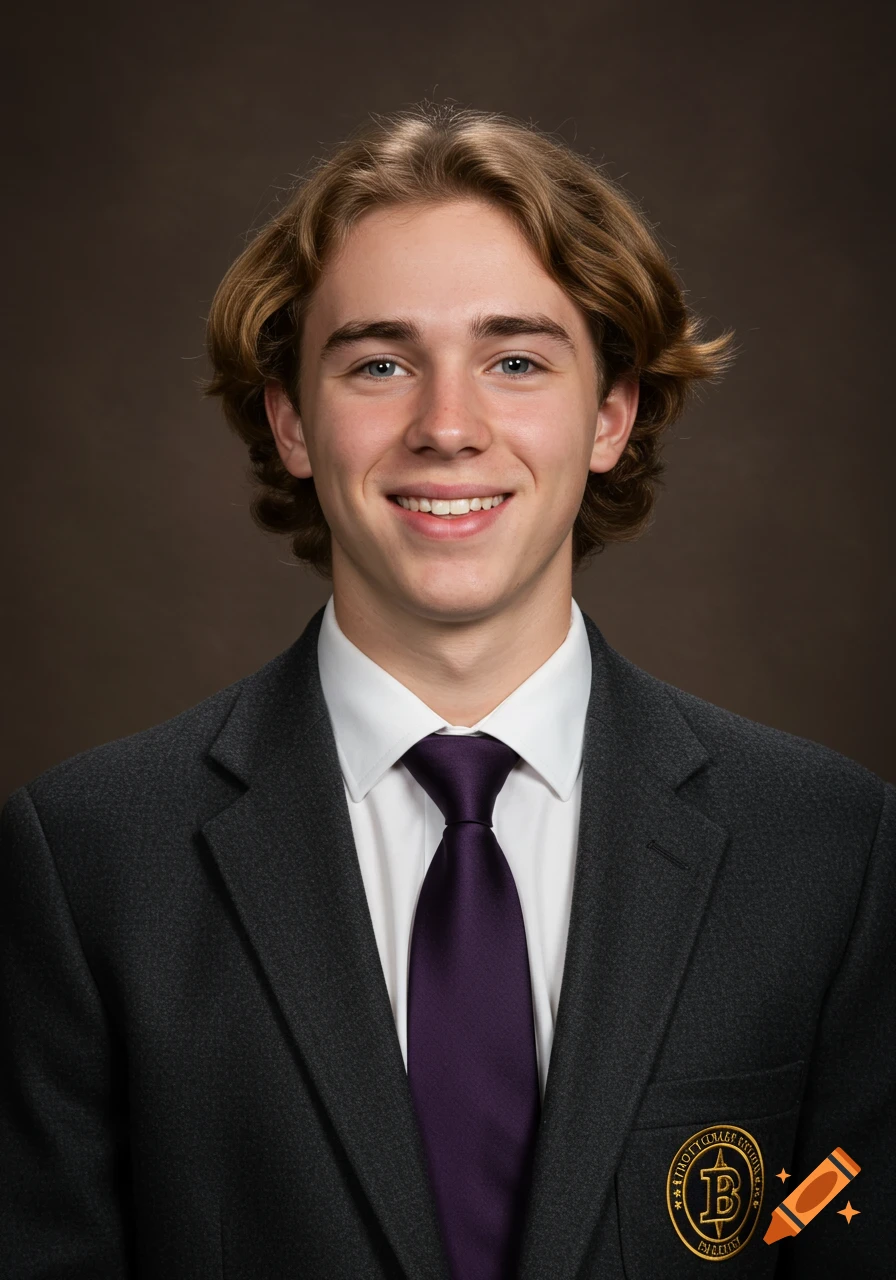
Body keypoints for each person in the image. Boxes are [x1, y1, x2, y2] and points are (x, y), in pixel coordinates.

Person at [1, 104, 892, 1280]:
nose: (447, 426)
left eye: (514, 359)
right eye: (379, 362)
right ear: (290, 421)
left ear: (611, 414)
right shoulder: (85, 860)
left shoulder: (829, 849)